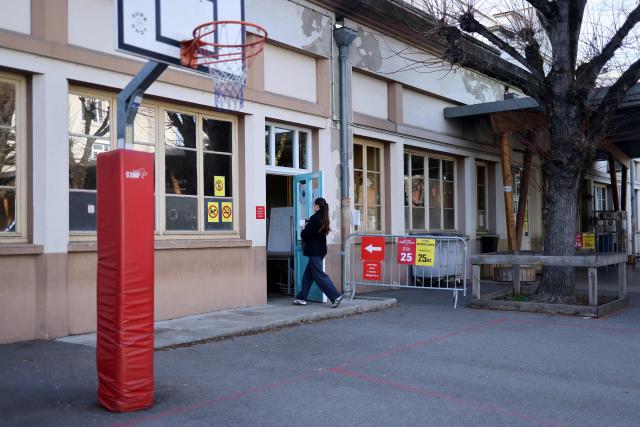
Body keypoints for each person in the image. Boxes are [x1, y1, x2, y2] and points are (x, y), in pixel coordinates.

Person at [293, 197, 343, 308]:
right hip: (320, 250)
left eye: (314, 205)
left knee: (319, 275)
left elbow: (305, 234)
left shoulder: (314, 218)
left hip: (315, 252)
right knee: (308, 275)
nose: (313, 207)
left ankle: (335, 296)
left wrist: (303, 229)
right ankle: (302, 298)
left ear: (317, 206)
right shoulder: (323, 218)